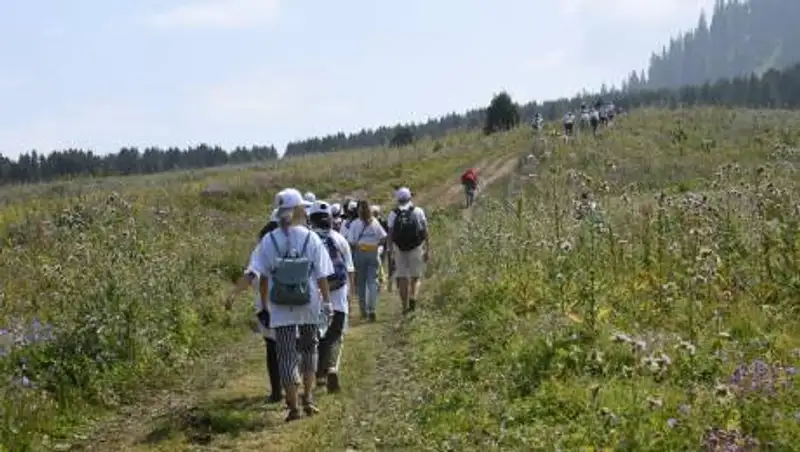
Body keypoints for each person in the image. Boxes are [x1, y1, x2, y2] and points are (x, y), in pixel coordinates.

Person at [249, 188, 334, 422]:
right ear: (299, 209)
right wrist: (327, 303)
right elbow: (322, 276)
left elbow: (263, 277)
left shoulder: (268, 240)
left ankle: (293, 407)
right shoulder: (311, 237)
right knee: (310, 348)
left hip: (280, 304)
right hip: (308, 301)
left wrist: (265, 306)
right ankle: (308, 398)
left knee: (285, 354)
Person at [224, 208, 281, 404]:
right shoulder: (299, 240)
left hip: (269, 308)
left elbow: (251, 275)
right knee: (293, 346)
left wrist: (233, 294)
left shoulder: (262, 248)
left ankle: (276, 392)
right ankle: (297, 387)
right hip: (296, 303)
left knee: (273, 349)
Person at [308, 201, 354, 393]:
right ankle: (332, 367)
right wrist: (351, 293)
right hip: (339, 296)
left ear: (311, 220)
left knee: (317, 337)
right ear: (330, 220)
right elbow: (350, 269)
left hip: (316, 296)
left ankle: (318, 375)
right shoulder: (339, 239)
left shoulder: (308, 240)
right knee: (335, 336)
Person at [386, 187, 428, 314]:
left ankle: (404, 307)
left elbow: (390, 234)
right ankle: (413, 298)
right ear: (410, 198)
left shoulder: (393, 214)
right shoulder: (418, 211)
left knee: (402, 277)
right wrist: (428, 248)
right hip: (416, 247)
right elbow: (425, 231)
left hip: (399, 249)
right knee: (415, 277)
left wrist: (390, 251)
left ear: (398, 200)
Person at [345, 200, 387, 322]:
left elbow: (351, 241)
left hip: (360, 253)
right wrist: (375, 244)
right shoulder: (375, 222)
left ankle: (363, 311)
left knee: (361, 284)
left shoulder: (355, 224)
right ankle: (372, 310)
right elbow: (383, 237)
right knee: (372, 282)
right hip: (373, 252)